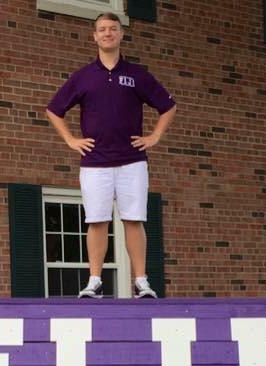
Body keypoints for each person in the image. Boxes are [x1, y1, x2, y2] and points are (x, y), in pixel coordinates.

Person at [46, 12, 176, 298]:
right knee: (96, 220)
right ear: (94, 36)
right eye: (102, 29)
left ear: (121, 35)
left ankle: (141, 281)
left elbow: (168, 106)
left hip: (132, 160)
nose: (107, 33)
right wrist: (70, 139)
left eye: (113, 29)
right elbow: (54, 110)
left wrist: (154, 137)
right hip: (95, 162)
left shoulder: (137, 75)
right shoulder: (82, 77)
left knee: (133, 219)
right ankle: (95, 280)